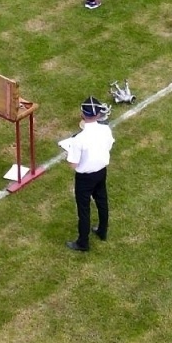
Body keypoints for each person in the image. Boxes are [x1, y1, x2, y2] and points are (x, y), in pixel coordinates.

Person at [60, 96, 114, 252]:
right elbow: (109, 145)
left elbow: (73, 164)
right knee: (102, 200)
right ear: (98, 115)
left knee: (84, 209)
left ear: (82, 114)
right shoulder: (105, 129)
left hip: (84, 178)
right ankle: (102, 231)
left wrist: (69, 149)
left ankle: (83, 242)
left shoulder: (79, 139)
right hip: (101, 171)